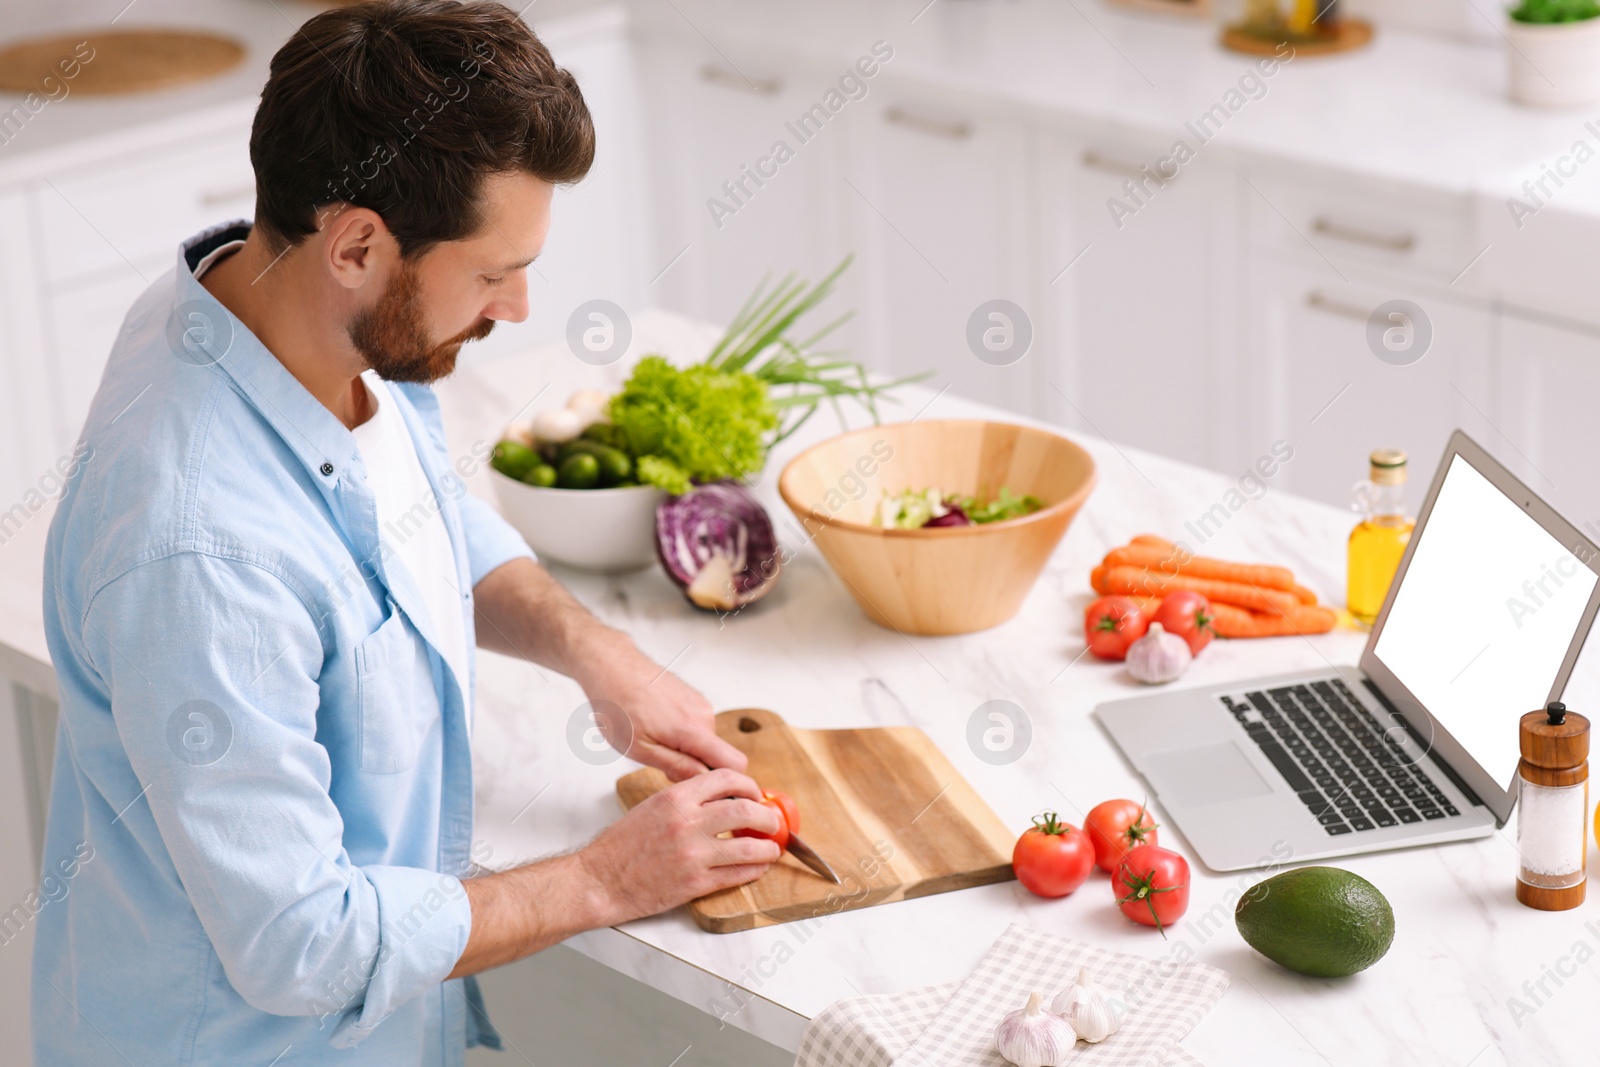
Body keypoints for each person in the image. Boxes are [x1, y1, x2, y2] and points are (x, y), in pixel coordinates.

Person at [32, 3, 781, 1064]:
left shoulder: (280, 313)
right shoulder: (200, 551)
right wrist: (606, 877)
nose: (516, 307)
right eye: (490, 273)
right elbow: (300, 940)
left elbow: (411, 511)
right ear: (357, 245)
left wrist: (596, 652)